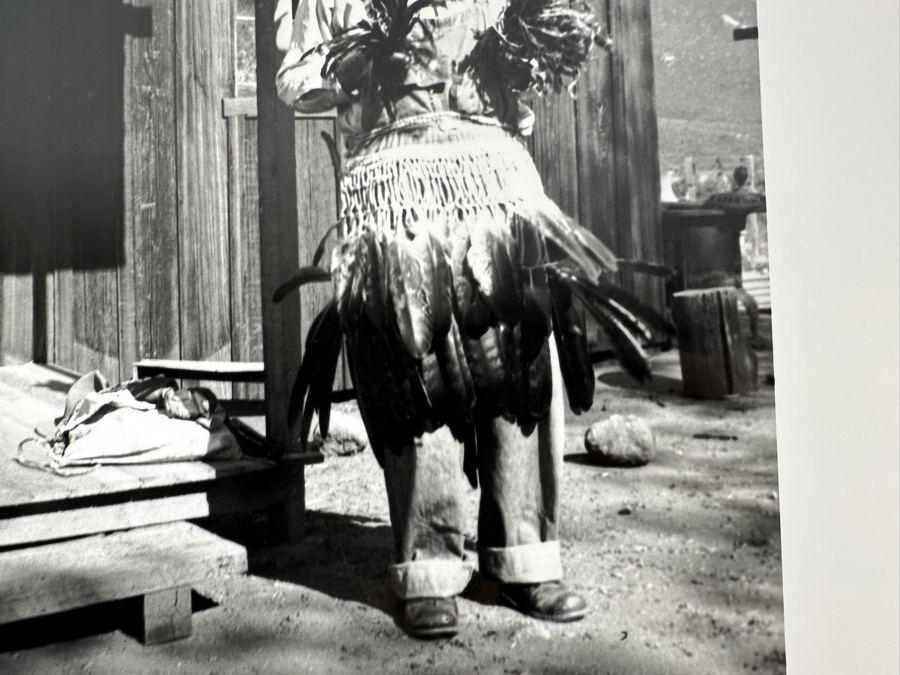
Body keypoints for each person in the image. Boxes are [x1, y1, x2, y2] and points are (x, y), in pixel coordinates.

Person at [275, 0, 662, 639]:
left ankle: (525, 558)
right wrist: (361, 65)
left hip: (494, 172)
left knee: (519, 357)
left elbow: (531, 82)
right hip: (394, 183)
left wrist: (512, 62)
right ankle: (429, 569)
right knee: (417, 369)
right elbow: (296, 78)